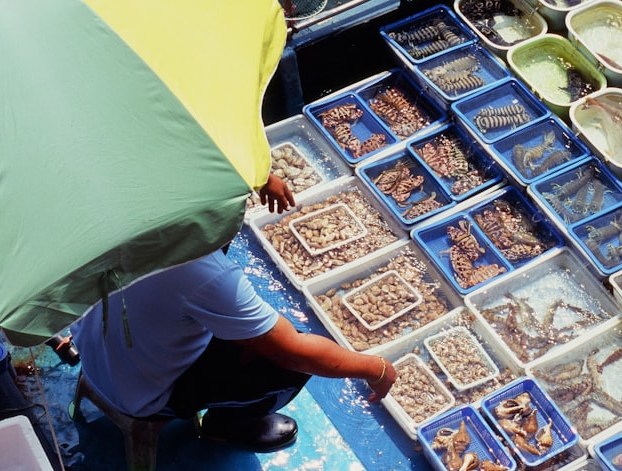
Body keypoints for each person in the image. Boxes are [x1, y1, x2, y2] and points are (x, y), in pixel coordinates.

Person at [71, 173, 397, 452]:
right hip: (143, 395)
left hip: (96, 356)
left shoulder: (117, 204)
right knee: (291, 361)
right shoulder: (203, 273)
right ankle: (225, 424)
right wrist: (377, 369)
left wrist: (261, 177)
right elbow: (295, 354)